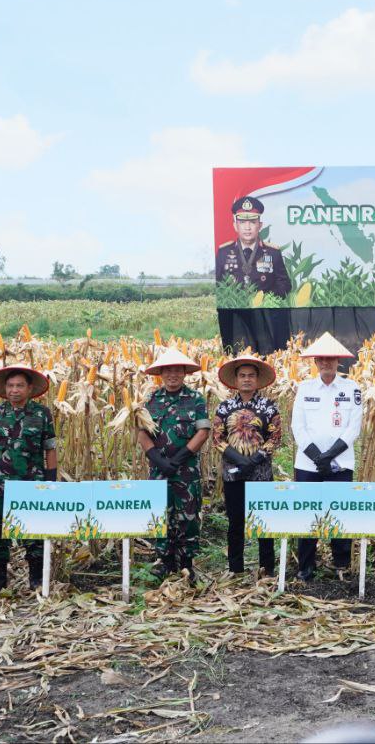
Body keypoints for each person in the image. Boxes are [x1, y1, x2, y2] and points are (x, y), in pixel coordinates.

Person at [0, 366, 58, 594]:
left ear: (30, 388)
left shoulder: (41, 414)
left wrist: (51, 479)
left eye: (19, 386)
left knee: (34, 534)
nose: (14, 390)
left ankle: (36, 578)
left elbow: (50, 449)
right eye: (10, 386)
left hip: (31, 485)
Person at [291, 333, 363, 582]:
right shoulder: (304, 388)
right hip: (307, 464)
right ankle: (306, 566)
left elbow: (353, 428)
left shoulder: (352, 388)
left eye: (330, 359)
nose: (326, 363)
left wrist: (329, 456)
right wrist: (316, 458)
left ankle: (341, 564)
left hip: (340, 462)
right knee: (307, 514)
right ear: (316, 362)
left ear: (338, 361)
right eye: (321, 359)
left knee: (339, 512)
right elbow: (298, 427)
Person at [136, 348, 211, 581]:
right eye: (168, 370)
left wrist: (178, 460)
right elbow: (142, 433)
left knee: (188, 515)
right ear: (161, 373)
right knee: (161, 514)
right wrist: (159, 461)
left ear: (184, 373)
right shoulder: (150, 400)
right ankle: (165, 561)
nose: (173, 374)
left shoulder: (195, 399)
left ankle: (187, 562)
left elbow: (203, 431)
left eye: (177, 370)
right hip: (159, 469)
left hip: (186, 470)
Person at [212, 353, 280, 577]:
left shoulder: (269, 407)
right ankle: (235, 568)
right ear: (236, 379)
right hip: (233, 473)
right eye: (242, 376)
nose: (247, 379)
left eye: (251, 375)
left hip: (261, 473)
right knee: (235, 522)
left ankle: (267, 568)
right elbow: (217, 438)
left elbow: (275, 437)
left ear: (258, 380)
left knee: (264, 520)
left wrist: (255, 459)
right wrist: (240, 460)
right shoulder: (225, 407)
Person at [215, 195, 291, 297]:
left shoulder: (273, 252)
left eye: (252, 222)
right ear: (235, 226)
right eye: (242, 222)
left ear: (260, 225)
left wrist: (264, 299)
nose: (247, 227)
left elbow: (285, 285)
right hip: (234, 311)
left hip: (264, 311)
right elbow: (216, 284)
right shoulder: (224, 252)